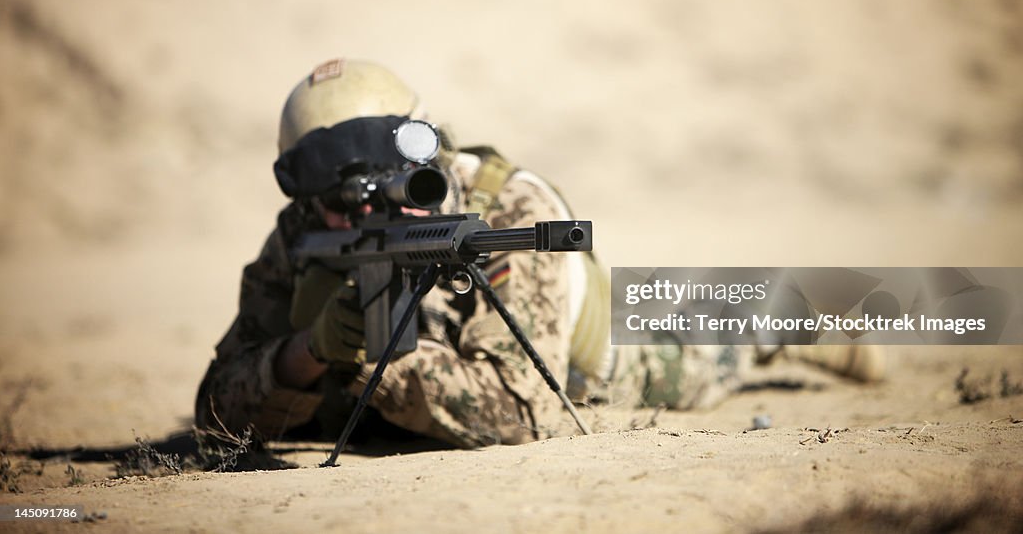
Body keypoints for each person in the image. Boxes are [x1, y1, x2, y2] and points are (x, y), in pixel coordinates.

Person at [195, 58, 884, 449]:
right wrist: (307, 354)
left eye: (390, 186)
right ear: (309, 197)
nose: (368, 214)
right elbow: (215, 407)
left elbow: (523, 411)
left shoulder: (508, 208)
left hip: (608, 362)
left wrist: (386, 357)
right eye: (340, 203)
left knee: (712, 341)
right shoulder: (303, 236)